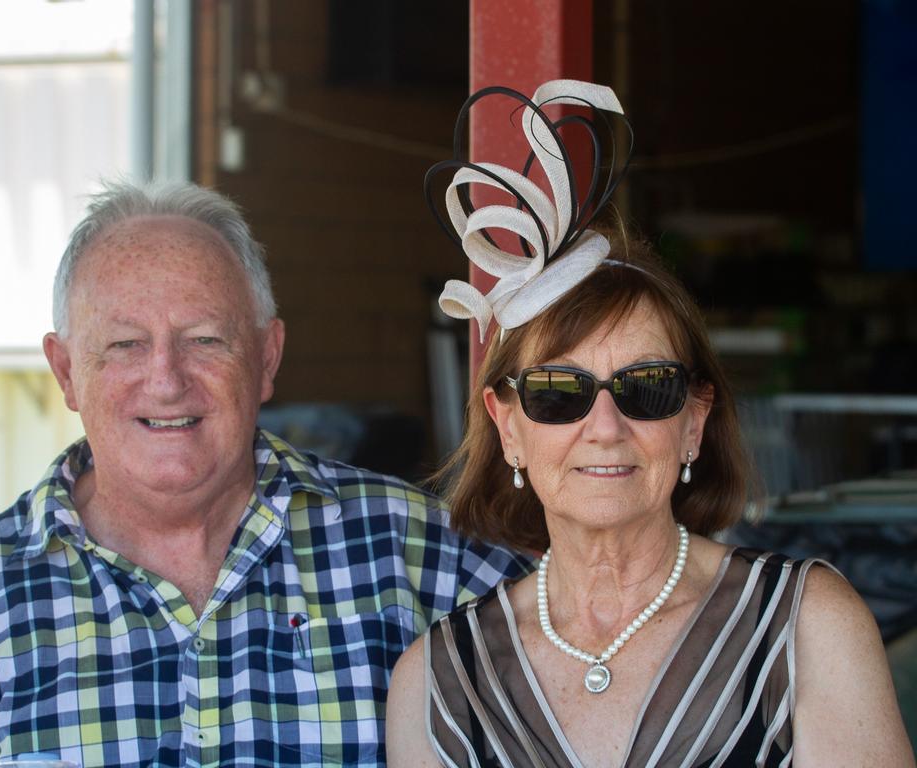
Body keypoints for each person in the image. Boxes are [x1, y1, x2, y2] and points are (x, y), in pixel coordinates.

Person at [0, 180, 531, 767]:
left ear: (266, 357)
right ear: (65, 373)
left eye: (204, 339)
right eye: (125, 345)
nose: (166, 381)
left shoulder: (425, 558)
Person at [387, 80, 914, 767]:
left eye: (647, 388)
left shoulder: (807, 627)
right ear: (508, 427)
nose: (604, 425)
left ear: (695, 420)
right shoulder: (435, 681)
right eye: (556, 392)